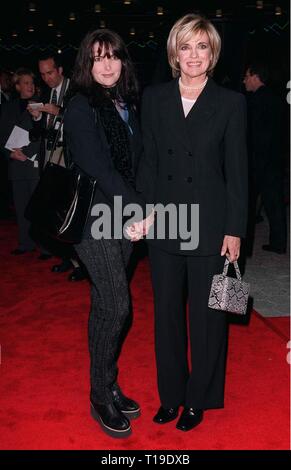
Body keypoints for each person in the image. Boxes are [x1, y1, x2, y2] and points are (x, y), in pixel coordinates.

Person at [136, 14, 248, 431]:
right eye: (186, 46)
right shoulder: (154, 97)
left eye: (203, 46)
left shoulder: (231, 103)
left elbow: (238, 172)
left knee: (208, 318)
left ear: (213, 53)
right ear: (174, 53)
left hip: (211, 225)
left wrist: (235, 229)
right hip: (165, 222)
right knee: (165, 316)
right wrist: (143, 211)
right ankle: (171, 396)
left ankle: (198, 398)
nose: (194, 55)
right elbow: (148, 160)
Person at [63, 28, 152, 438]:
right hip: (96, 217)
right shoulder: (80, 105)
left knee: (104, 303)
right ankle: (100, 393)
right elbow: (97, 165)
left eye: (113, 56)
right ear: (87, 63)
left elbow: (140, 161)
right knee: (118, 306)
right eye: (98, 57)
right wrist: (138, 209)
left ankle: (108, 382)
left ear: (122, 61)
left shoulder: (127, 103)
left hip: (126, 218)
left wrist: (144, 209)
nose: (107, 64)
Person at [28, 54, 85, 278]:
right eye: (42, 74)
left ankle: (81, 263)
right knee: (52, 214)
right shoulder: (45, 93)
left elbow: (85, 120)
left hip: (70, 158)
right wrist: (36, 117)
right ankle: (68, 258)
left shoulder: (78, 90)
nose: (47, 78)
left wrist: (60, 111)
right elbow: (41, 130)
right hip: (51, 157)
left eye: (50, 72)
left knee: (67, 214)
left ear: (60, 70)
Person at [243, 62, 287, 255]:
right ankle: (279, 243)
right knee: (274, 204)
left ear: (254, 76)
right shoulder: (276, 100)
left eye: (246, 76)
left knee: (247, 205)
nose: (244, 80)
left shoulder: (254, 101)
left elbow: (254, 136)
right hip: (275, 160)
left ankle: (245, 249)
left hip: (258, 162)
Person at [0, 68, 43, 255]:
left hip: (33, 163)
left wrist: (38, 118)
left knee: (38, 207)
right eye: (26, 83)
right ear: (17, 86)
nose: (30, 86)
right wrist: (9, 153)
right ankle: (25, 243)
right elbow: (2, 136)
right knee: (21, 207)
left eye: (32, 83)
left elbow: (43, 135)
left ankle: (44, 246)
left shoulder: (40, 106)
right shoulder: (8, 107)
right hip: (16, 164)